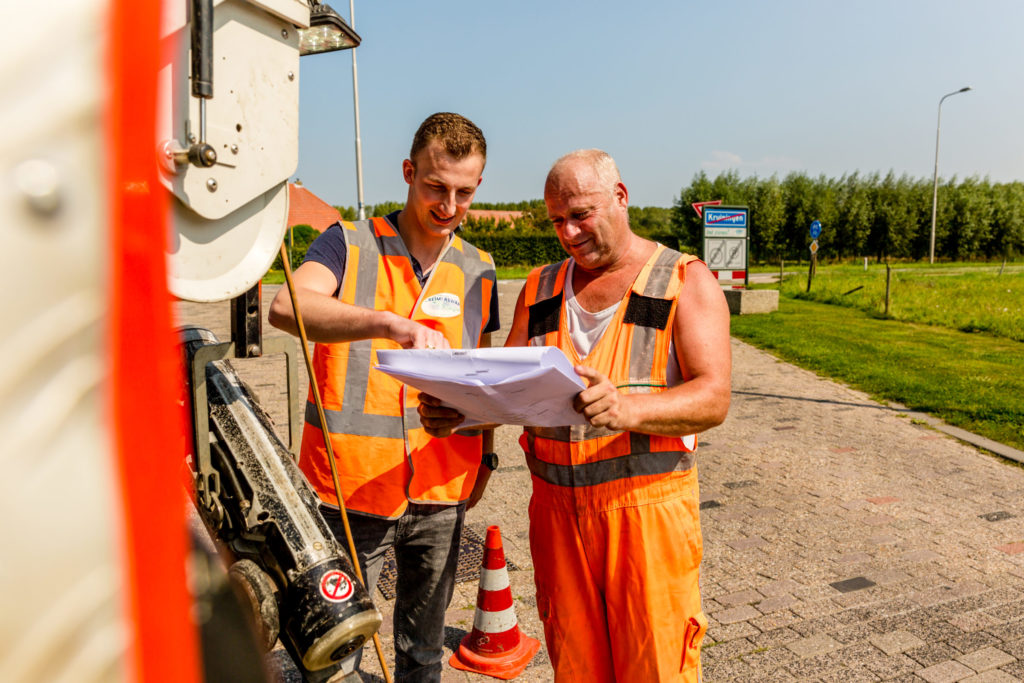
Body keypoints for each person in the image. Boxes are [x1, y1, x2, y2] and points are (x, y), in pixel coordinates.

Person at [420, 149, 731, 682]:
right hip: (556, 519)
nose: (568, 232)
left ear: (621, 196)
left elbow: (713, 398)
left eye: (581, 214)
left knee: (655, 664)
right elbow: (501, 389)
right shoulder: (540, 288)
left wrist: (627, 408)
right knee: (576, 666)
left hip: (646, 519)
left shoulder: (682, 279)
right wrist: (462, 413)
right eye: (557, 220)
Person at [268, 112, 500, 682]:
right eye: (435, 186)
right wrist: (384, 323)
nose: (449, 204)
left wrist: (487, 454)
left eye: (464, 192)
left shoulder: (480, 268)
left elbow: (484, 372)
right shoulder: (347, 242)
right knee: (336, 653)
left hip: (442, 485)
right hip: (350, 489)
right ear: (407, 172)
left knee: (423, 651)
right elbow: (286, 306)